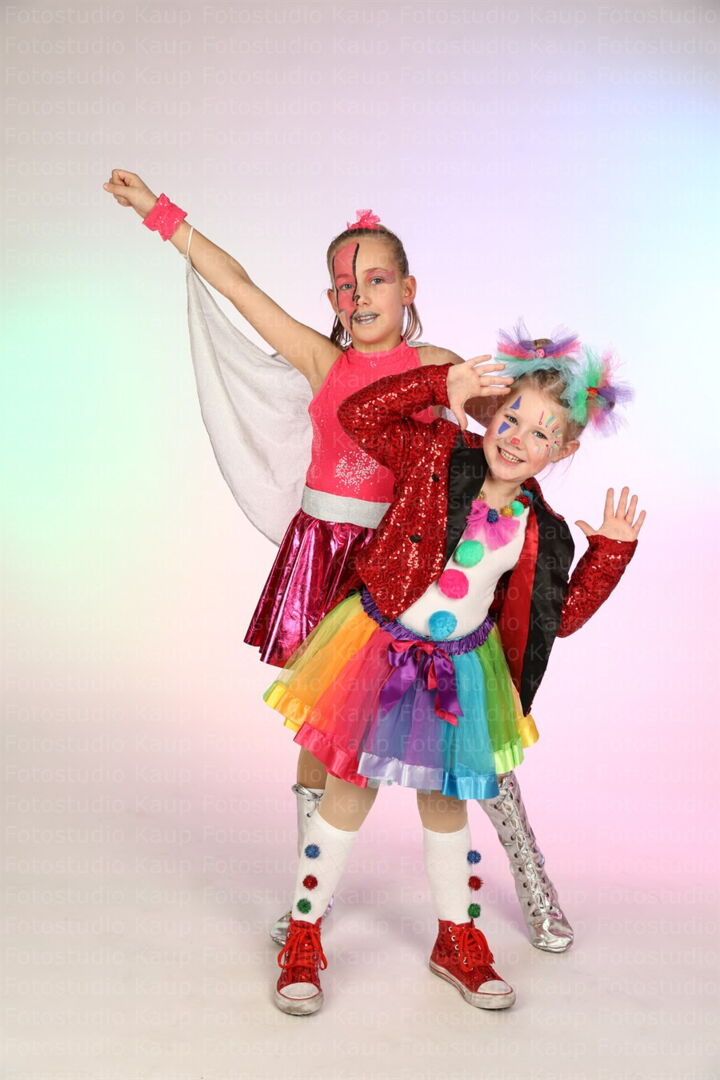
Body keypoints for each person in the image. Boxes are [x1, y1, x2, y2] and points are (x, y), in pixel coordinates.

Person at [102, 173, 572, 950]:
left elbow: (518, 436)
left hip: (413, 560)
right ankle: (307, 902)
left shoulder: (439, 363)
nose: (360, 296)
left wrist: (557, 395)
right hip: (324, 558)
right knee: (321, 732)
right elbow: (239, 286)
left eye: (376, 279)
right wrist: (160, 213)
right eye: (346, 285)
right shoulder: (324, 361)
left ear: (408, 289)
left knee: (467, 729)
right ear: (332, 299)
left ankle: (533, 877)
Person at [264, 333, 644, 1015]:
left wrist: (608, 555)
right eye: (511, 418)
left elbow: (558, 618)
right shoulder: (436, 454)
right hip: (378, 649)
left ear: (563, 451)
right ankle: (303, 931)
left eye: (541, 433)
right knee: (349, 788)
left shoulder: (541, 530)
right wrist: (439, 386)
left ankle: (456, 939)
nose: (518, 438)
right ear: (491, 413)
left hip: (458, 670)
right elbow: (359, 416)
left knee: (446, 804)